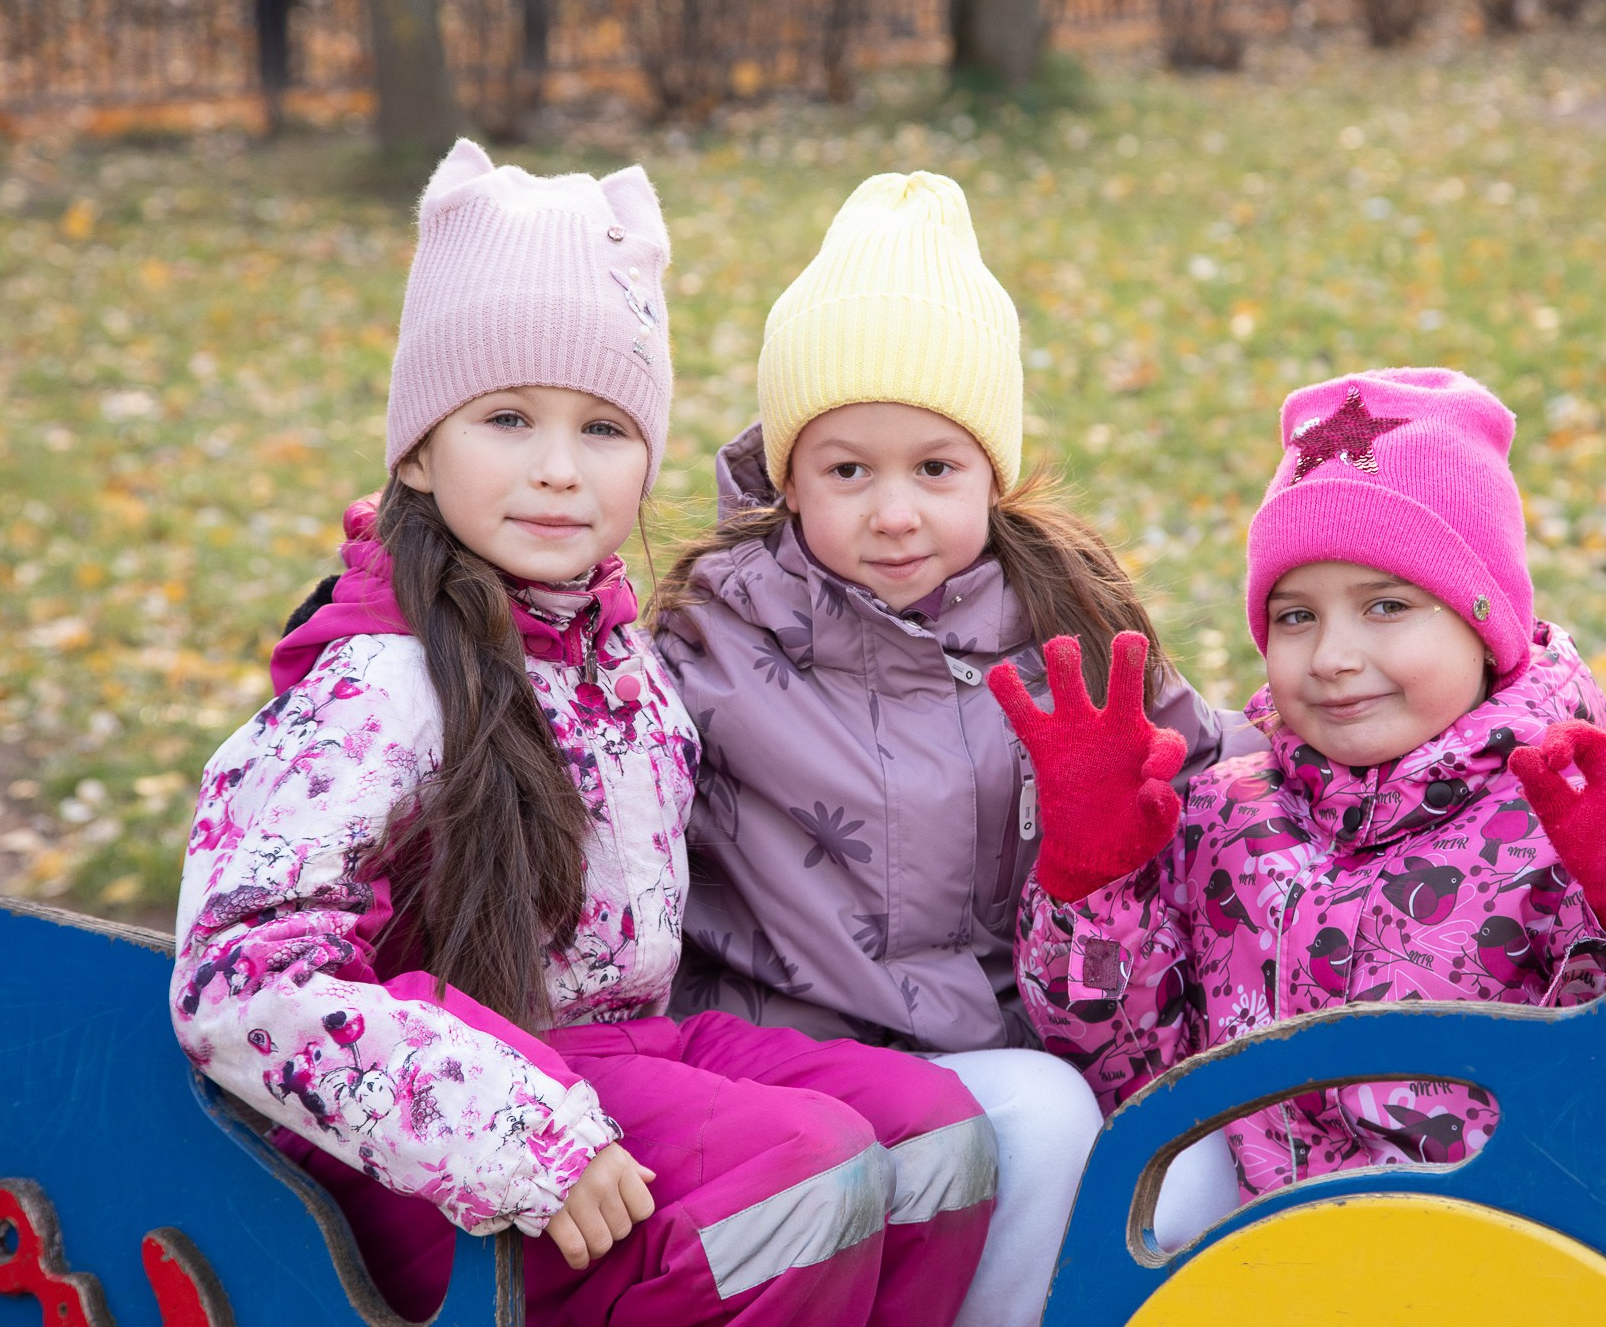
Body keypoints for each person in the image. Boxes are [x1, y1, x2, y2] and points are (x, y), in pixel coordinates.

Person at [171, 140, 994, 1326]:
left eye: (604, 428)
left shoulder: (620, 663)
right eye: (507, 418)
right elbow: (242, 974)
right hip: (431, 1154)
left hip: (616, 1060)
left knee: (934, 1134)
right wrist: (521, 1132)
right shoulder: (383, 681)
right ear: (419, 448)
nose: (559, 471)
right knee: (798, 1175)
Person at [650, 171, 1230, 1325]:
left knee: (1181, 1150)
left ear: (990, 473)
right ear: (786, 478)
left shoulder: (1062, 621)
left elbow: (1206, 775)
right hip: (795, 1068)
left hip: (1028, 1041)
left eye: (934, 467)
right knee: (1041, 1115)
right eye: (846, 470)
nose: (893, 513)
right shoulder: (713, 639)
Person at [993, 367, 1606, 1239]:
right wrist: (1093, 883)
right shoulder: (1223, 818)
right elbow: (1125, 1074)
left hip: (1506, 1256)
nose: (1333, 656)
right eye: (1296, 616)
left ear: (1485, 624)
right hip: (1254, 1262)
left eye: (1387, 605)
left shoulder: (1574, 821)